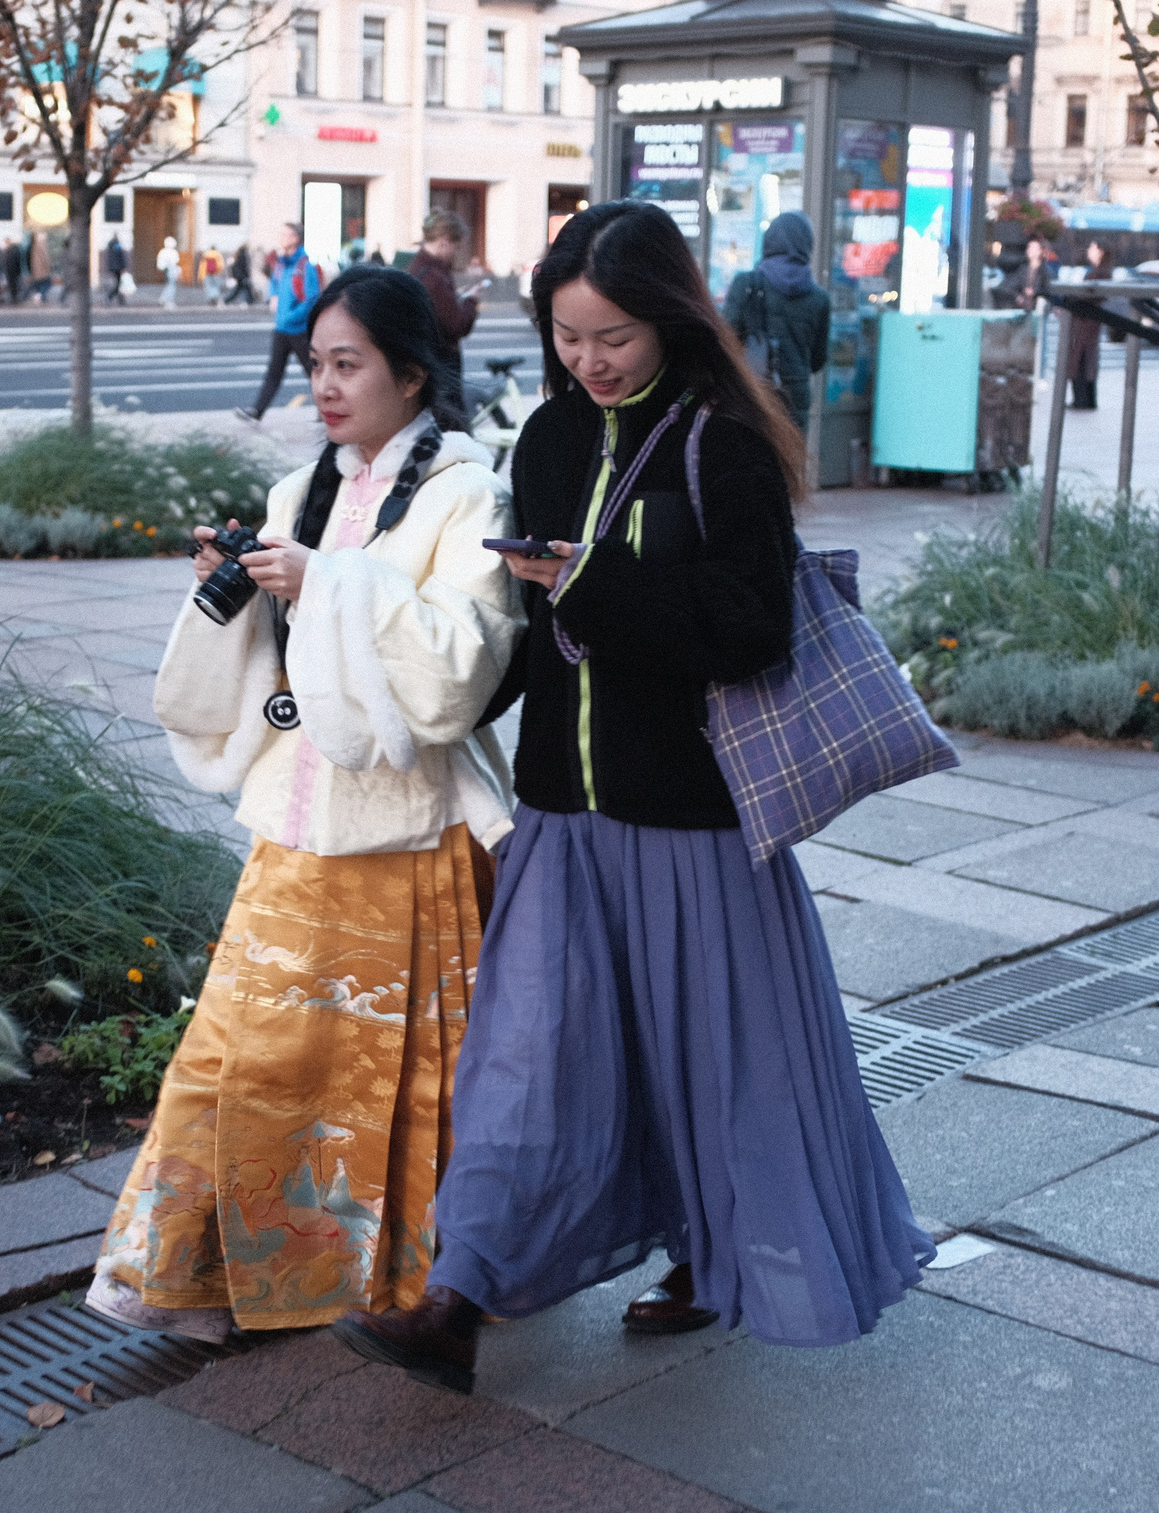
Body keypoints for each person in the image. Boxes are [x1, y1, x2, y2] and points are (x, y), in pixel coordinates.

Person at [332, 199, 937, 1392]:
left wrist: (596, 588)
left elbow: (752, 632)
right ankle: (456, 1299)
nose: (589, 360)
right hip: (563, 817)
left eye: (611, 334)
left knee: (707, 1073)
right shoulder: (549, 444)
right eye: (566, 336)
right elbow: (519, 631)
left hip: (694, 824)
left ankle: (709, 1260)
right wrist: (416, 702)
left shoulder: (724, 446)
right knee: (522, 1061)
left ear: (666, 317)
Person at [85, 266, 523, 1341]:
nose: (322, 387)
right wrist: (235, 588)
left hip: (410, 828)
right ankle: (195, 1276)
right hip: (298, 819)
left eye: (347, 365)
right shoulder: (304, 490)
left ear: (410, 374)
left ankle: (415, 1283)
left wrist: (321, 583)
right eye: (316, 365)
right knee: (241, 1052)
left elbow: (464, 664)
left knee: (409, 1073)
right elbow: (276, 668)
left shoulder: (470, 490)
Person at [725, 211, 833, 433]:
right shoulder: (819, 299)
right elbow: (817, 362)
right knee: (787, 465)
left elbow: (725, 341)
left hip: (752, 396)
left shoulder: (746, 284)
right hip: (795, 404)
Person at [237, 223, 321, 419]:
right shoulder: (282, 263)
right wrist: (273, 297)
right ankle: (256, 411)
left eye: (285, 234)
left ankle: (325, 411)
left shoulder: (305, 266)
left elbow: (312, 300)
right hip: (281, 329)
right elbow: (275, 283)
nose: (280, 237)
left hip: (299, 330)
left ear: (295, 238)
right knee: (274, 373)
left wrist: (289, 317)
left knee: (314, 373)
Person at [405, 209, 482, 395]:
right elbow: (456, 326)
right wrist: (471, 301)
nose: (455, 254)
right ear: (444, 242)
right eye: (456, 247)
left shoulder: (418, 268)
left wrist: (454, 299)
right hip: (441, 364)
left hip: (424, 360)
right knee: (450, 419)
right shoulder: (434, 277)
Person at [1063, 238, 1114, 410]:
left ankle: (1082, 399)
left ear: (1100, 251)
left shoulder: (1101, 273)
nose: (1088, 251)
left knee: (1081, 358)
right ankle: (1085, 398)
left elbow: (1092, 295)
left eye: (1092, 247)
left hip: (1086, 322)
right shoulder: (1100, 271)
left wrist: (1072, 299)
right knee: (1084, 358)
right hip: (1087, 321)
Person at [102, 234, 129, 305]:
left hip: (113, 268)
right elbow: (121, 258)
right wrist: (123, 267)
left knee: (118, 285)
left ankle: (121, 301)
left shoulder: (110, 248)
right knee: (118, 285)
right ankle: (110, 297)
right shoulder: (118, 247)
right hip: (117, 269)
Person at [157, 234, 181, 308]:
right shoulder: (173, 252)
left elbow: (160, 263)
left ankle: (163, 299)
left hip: (167, 270)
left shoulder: (163, 251)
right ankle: (169, 301)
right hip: (171, 270)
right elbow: (176, 261)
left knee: (169, 285)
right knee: (171, 286)